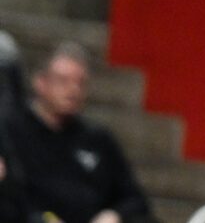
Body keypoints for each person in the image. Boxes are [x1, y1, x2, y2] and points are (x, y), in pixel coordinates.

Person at [0, 44, 154, 223]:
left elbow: (136, 199)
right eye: (63, 80)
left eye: (80, 82)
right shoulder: (9, 132)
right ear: (41, 82)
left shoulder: (98, 138)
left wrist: (114, 215)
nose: (73, 90)